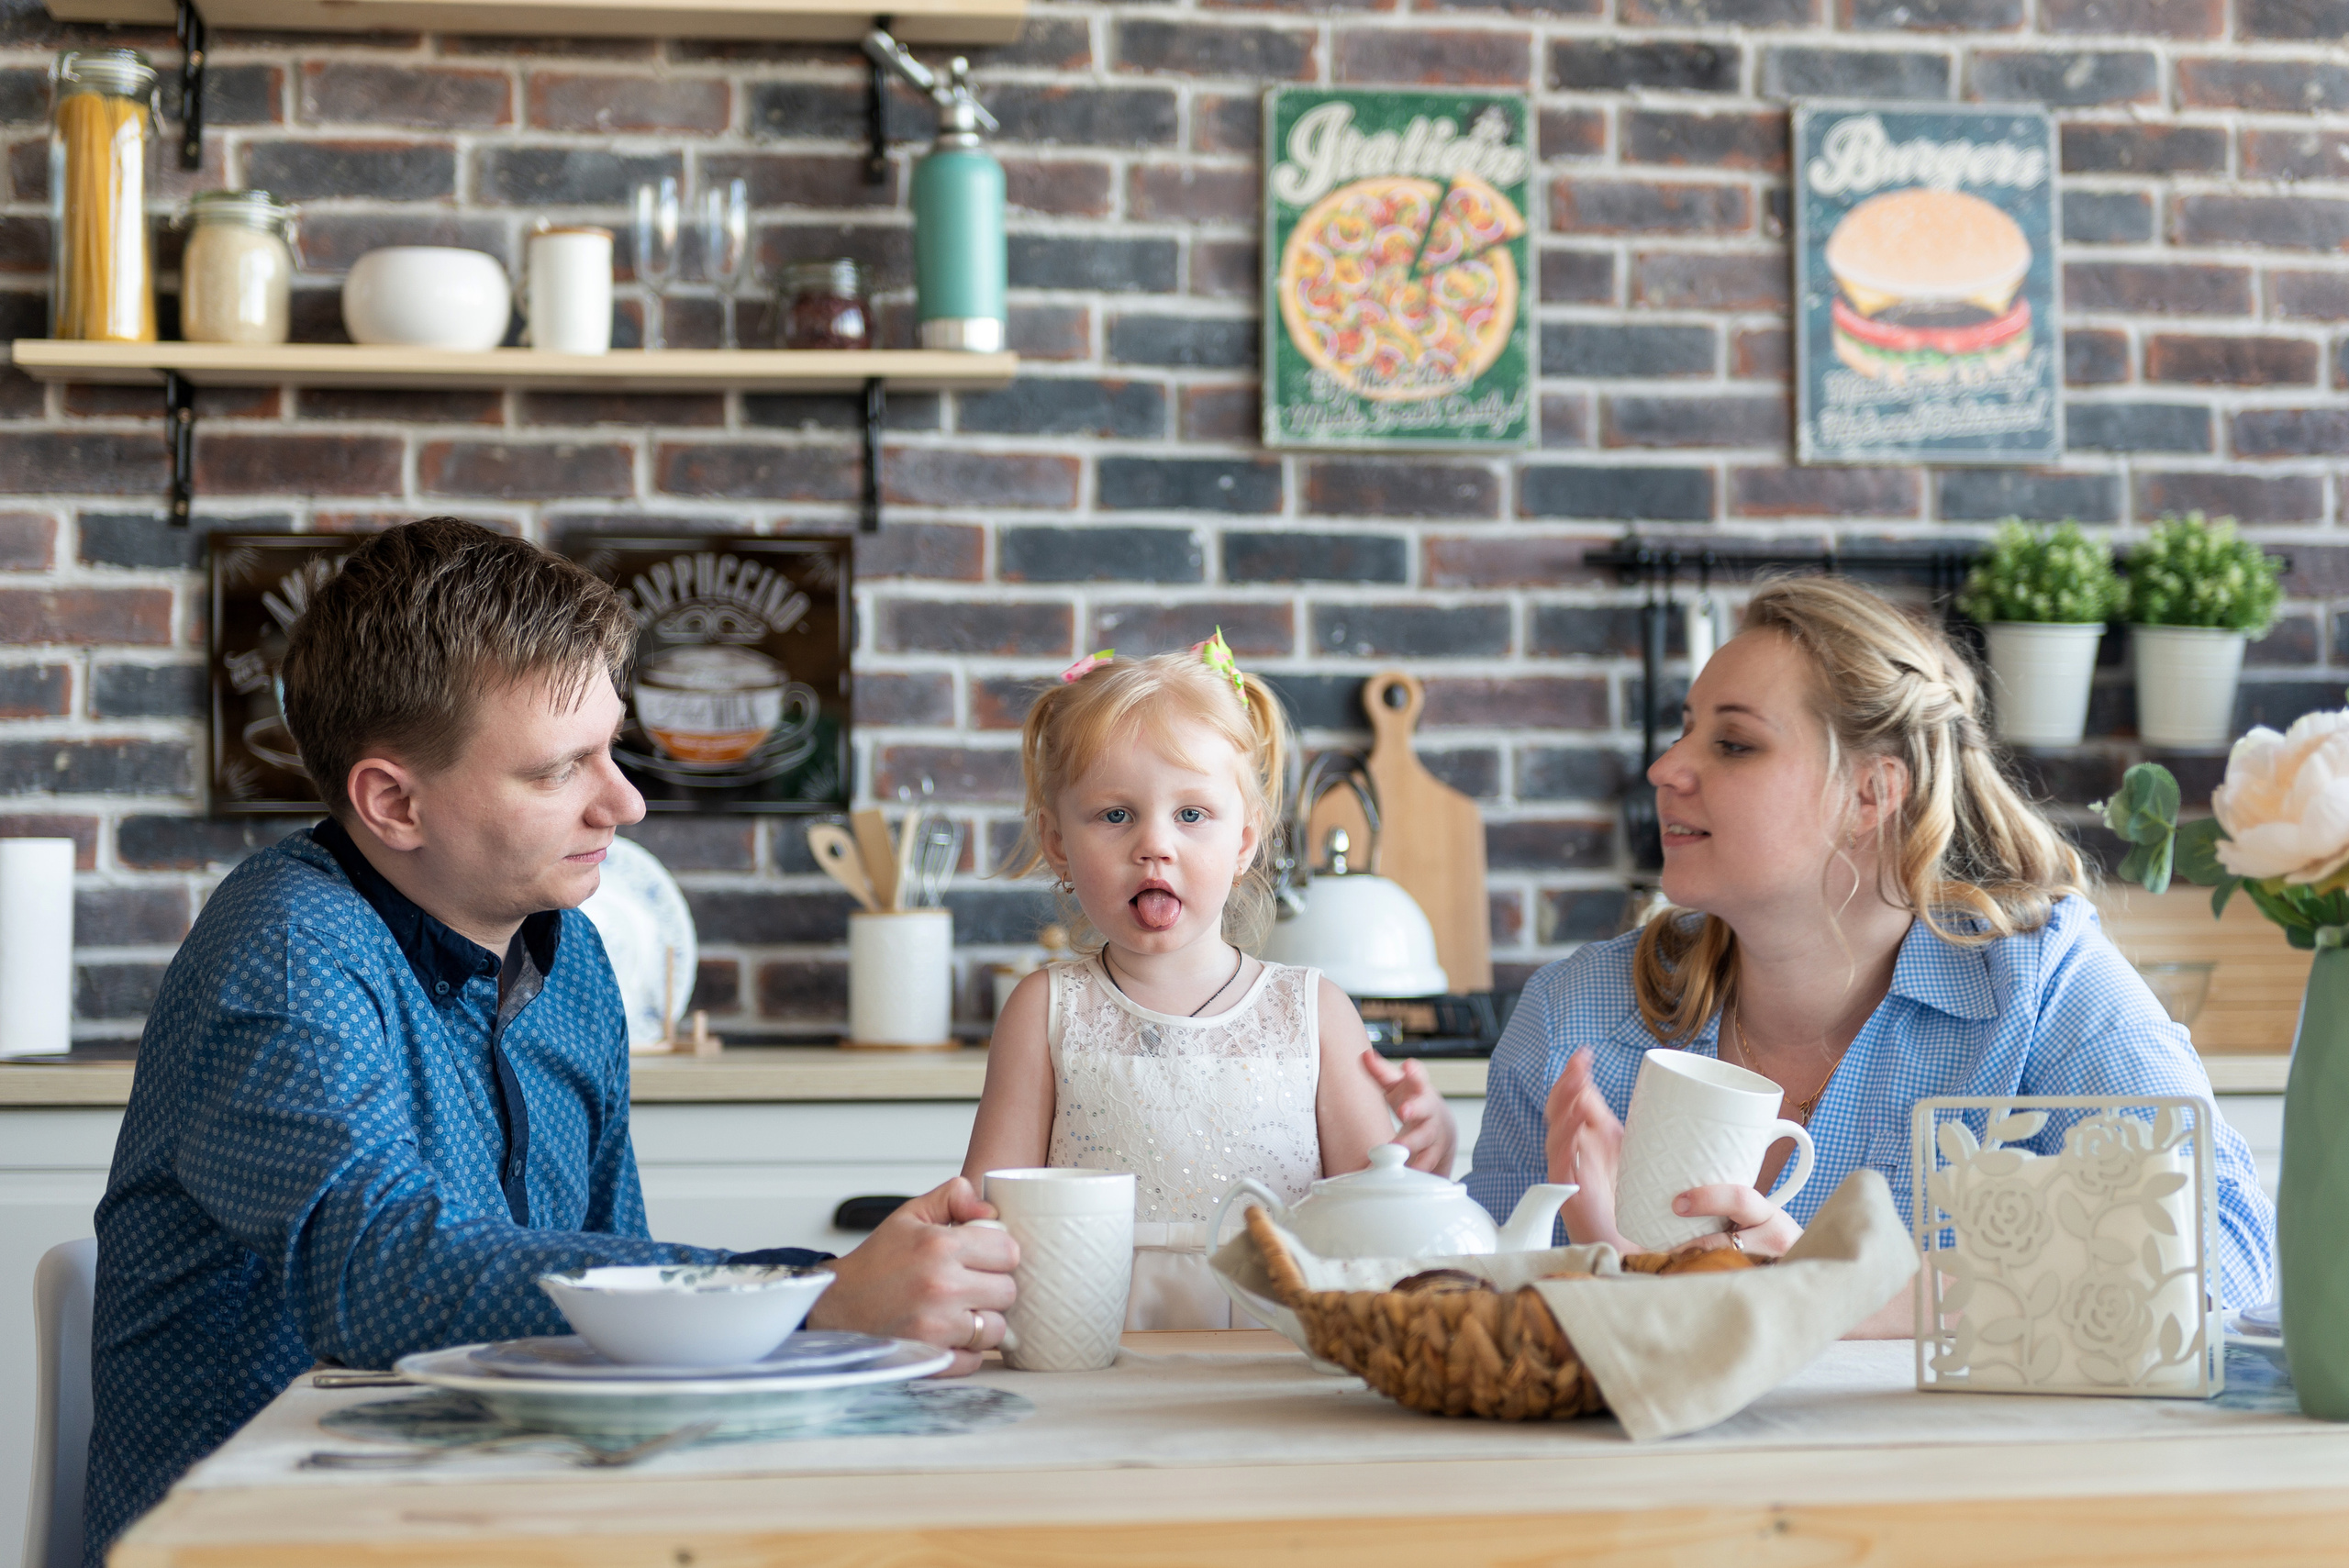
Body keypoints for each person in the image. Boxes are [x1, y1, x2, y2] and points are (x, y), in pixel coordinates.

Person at [84, 519, 1018, 1560]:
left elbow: (613, 1281)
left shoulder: (570, 956)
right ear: (393, 800)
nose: (626, 800)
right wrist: (816, 1300)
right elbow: (374, 1265)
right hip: (264, 1536)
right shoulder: (290, 950)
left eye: (610, 746)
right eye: (557, 768)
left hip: (506, 1515)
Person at [1467, 576, 2277, 1330]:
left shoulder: (2040, 988)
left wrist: (1843, 1289)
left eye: (1735, 744)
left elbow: (2226, 1266)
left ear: (1872, 794)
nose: (1667, 767)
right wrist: (1594, 1268)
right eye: (1685, 729)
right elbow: (1469, 1304)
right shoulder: (1574, 1016)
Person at [962, 638, 1455, 1328]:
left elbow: (1376, 1220)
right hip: (1091, 1370)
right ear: (1056, 843)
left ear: (1245, 839)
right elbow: (986, 1217)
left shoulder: (1313, 1013)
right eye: (1115, 814)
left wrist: (1425, 1150)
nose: (1154, 844)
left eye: (1191, 815)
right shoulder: (1045, 1010)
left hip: (1277, 1378)